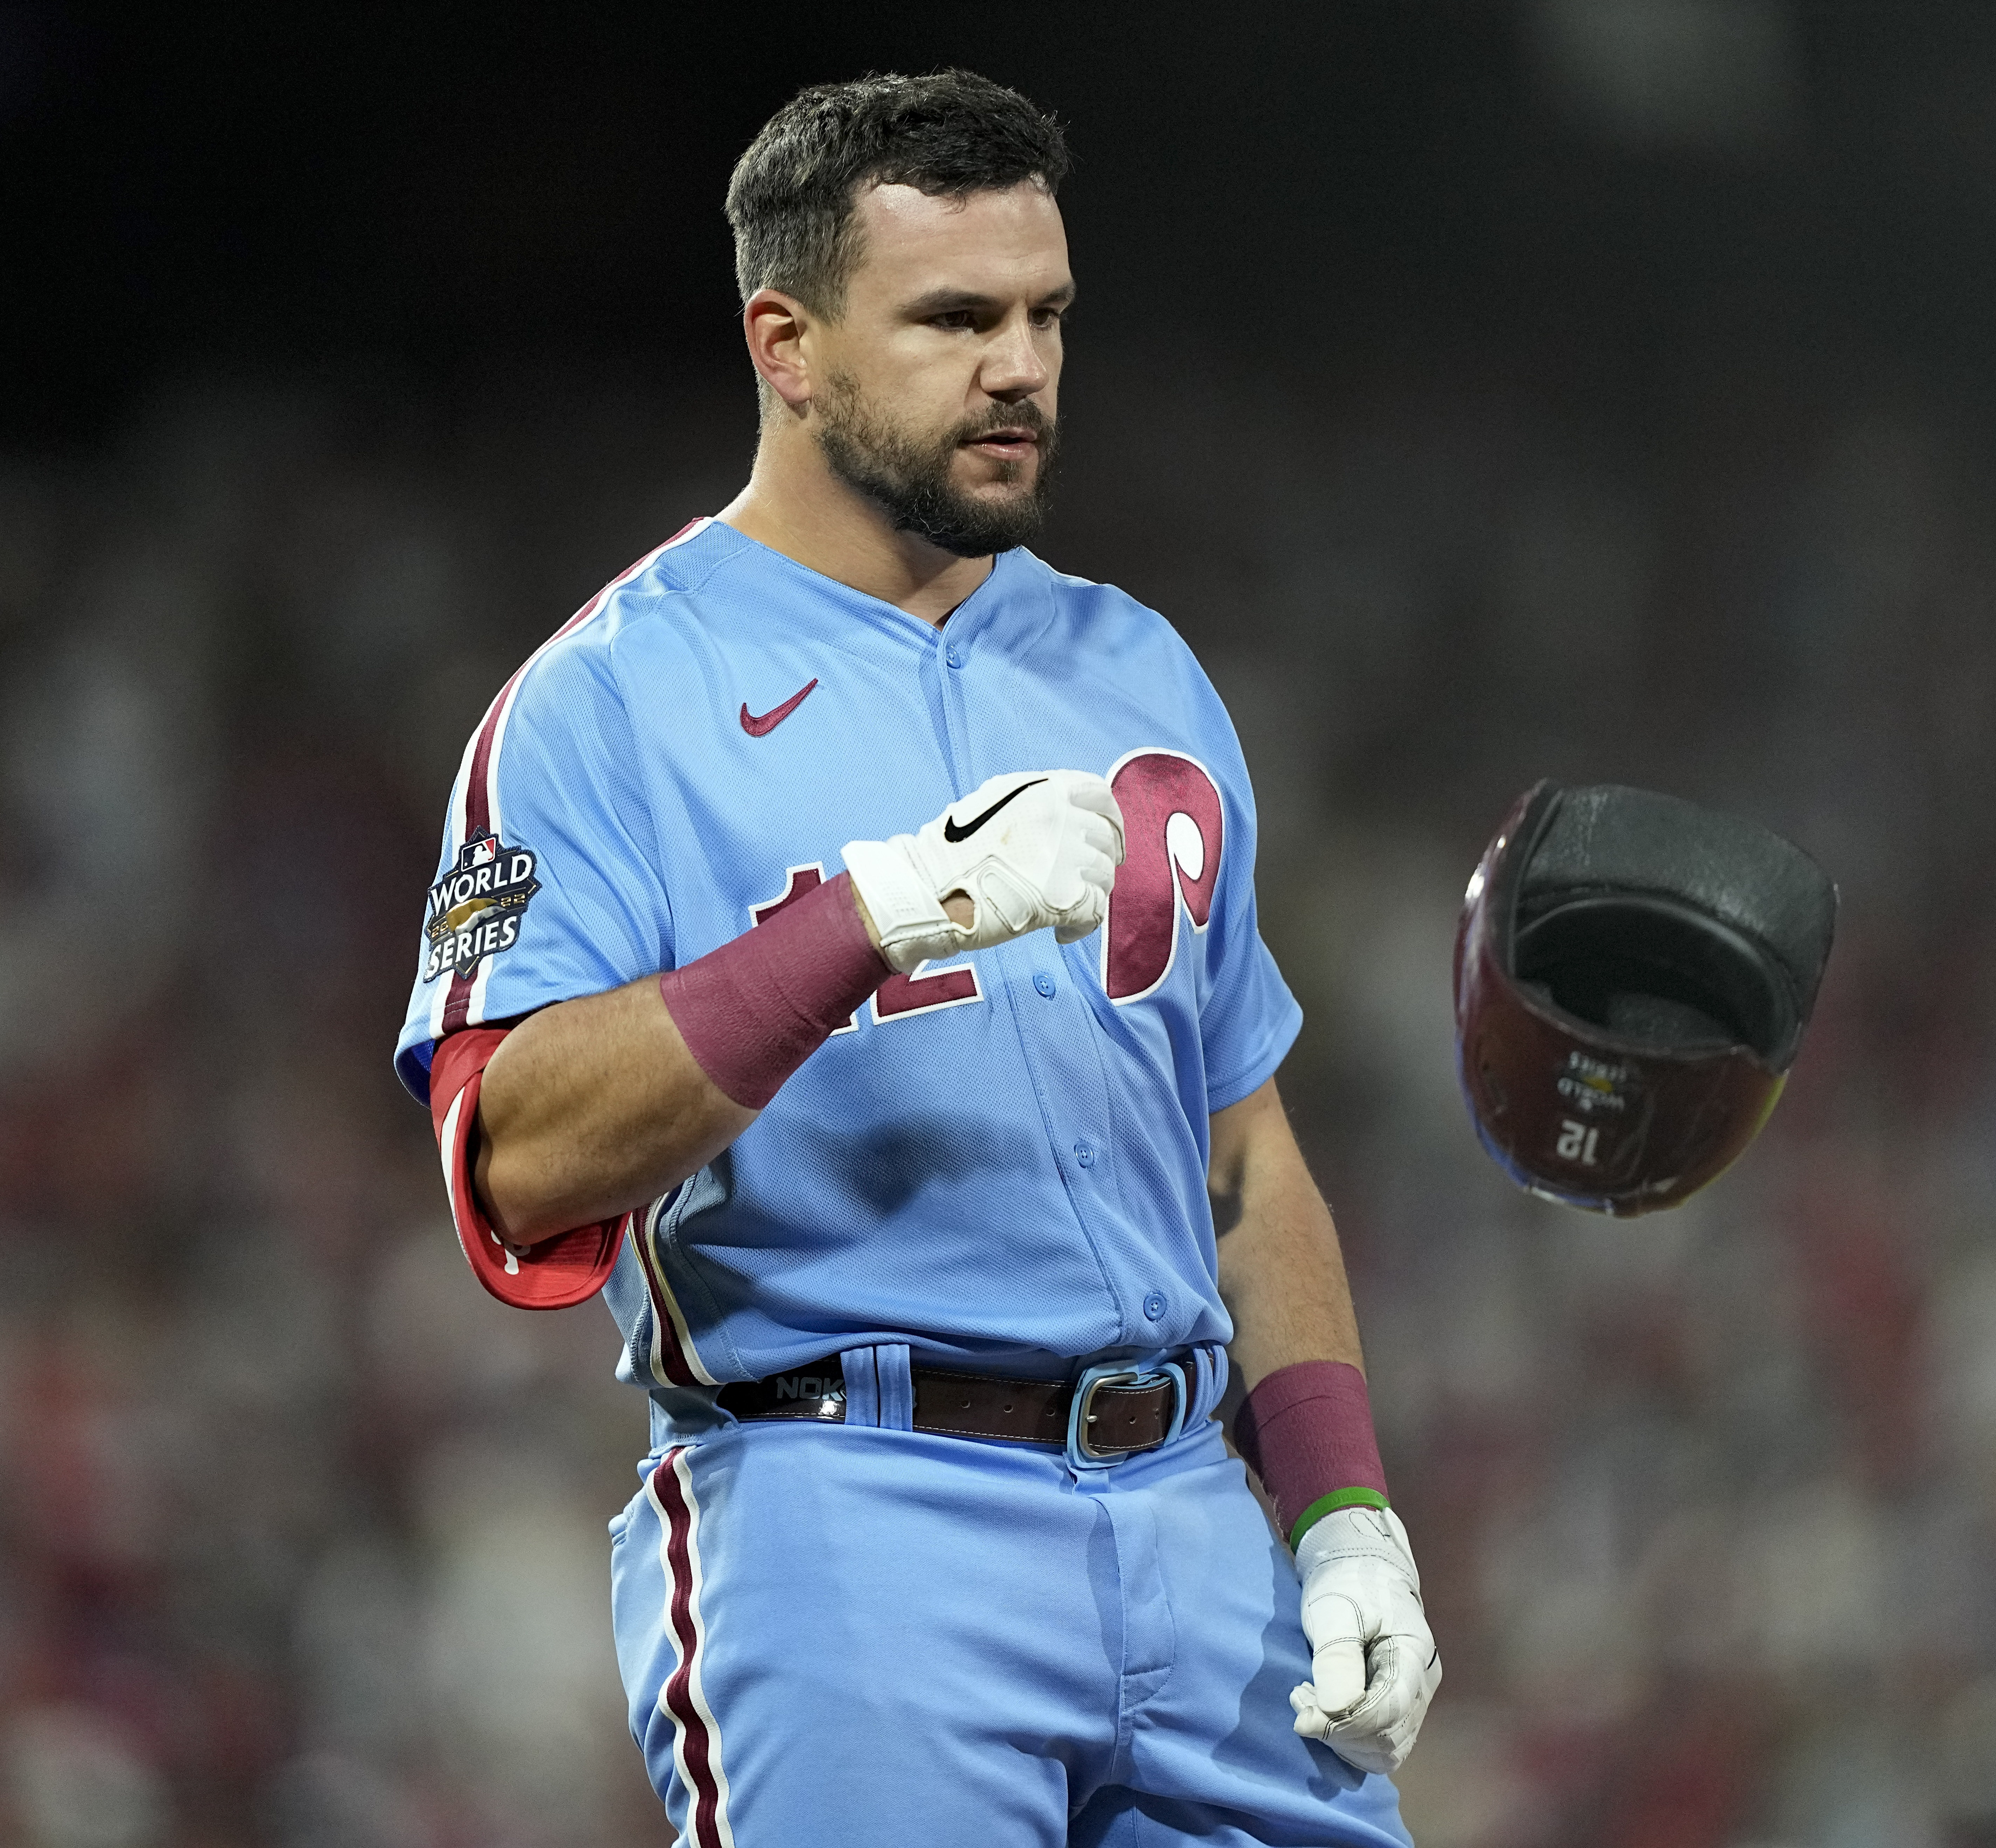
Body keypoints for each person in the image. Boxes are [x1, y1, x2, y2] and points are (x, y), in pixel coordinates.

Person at [393, 70, 1437, 1846]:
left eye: (1044, 316)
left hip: (1192, 1513)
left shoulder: (1140, 671)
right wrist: (854, 925)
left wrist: (1341, 1513)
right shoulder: (604, 701)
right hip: (848, 1515)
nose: (1021, 366)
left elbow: (1246, 1159)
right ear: (784, 343)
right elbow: (513, 1164)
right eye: (955, 316)